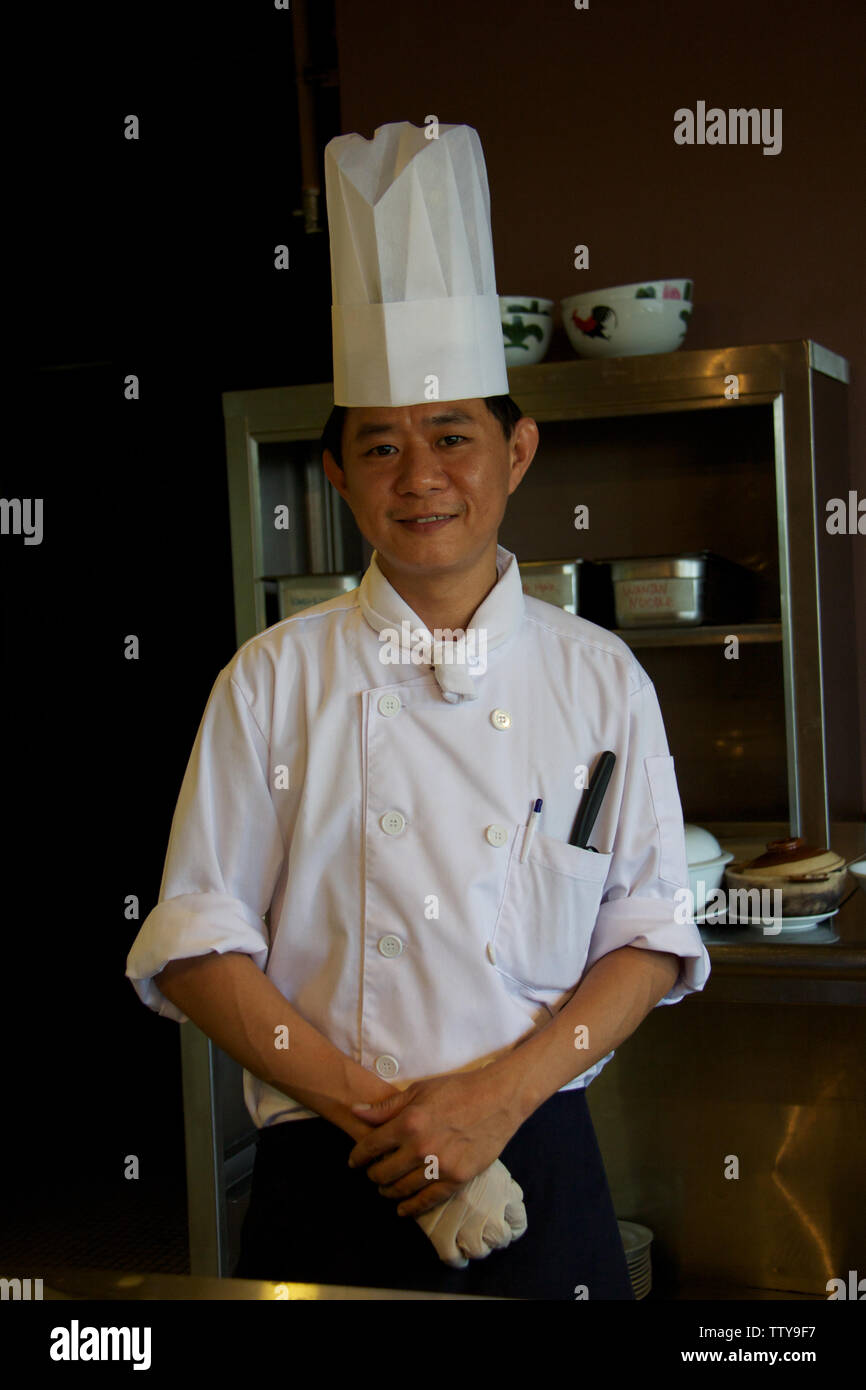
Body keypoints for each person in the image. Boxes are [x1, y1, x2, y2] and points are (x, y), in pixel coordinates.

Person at [125, 122, 711, 1300]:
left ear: (517, 452)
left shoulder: (600, 679)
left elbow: (646, 935)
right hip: (327, 1167)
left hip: (537, 1152)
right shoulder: (270, 679)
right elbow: (196, 944)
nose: (421, 476)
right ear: (335, 474)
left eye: (452, 437)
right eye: (380, 447)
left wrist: (495, 1098)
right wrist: (386, 1118)